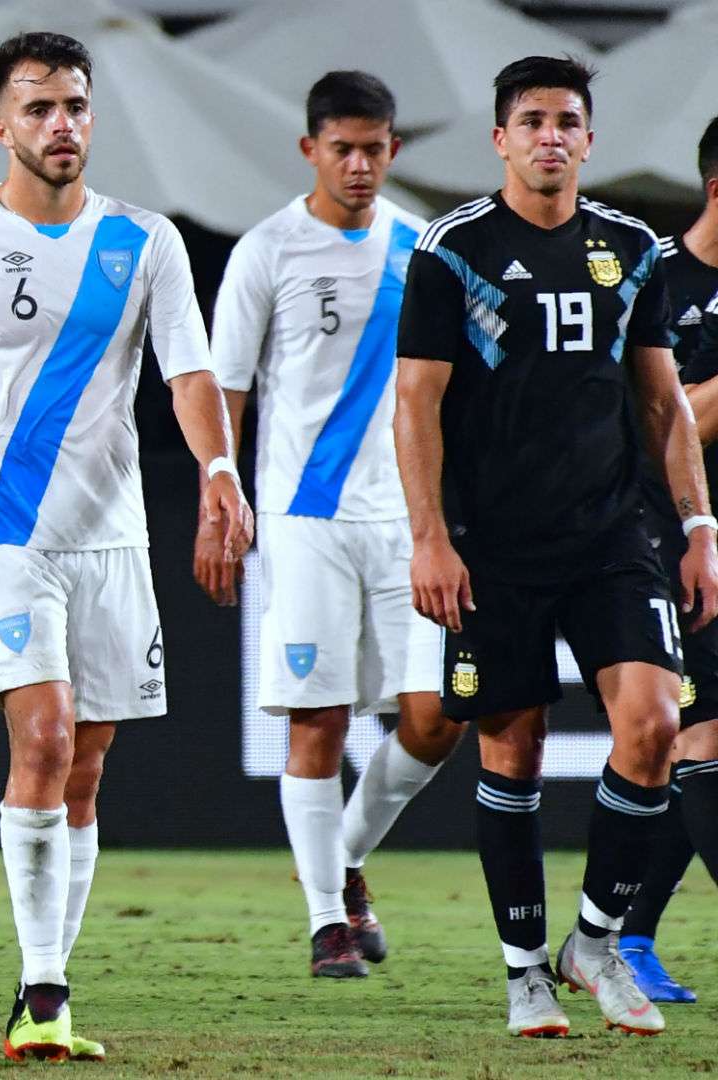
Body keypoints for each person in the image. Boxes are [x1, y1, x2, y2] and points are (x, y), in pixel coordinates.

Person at [0, 31, 249, 1063]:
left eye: (77, 106)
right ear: (2, 126)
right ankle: (43, 994)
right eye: (39, 109)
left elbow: (188, 376)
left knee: (85, 769)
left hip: (111, 538)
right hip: (0, 537)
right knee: (42, 740)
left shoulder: (146, 242)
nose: (62, 125)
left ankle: (49, 985)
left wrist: (220, 474)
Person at [394, 55, 718, 1039]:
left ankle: (596, 939)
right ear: (500, 139)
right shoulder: (453, 250)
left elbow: (662, 403)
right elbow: (415, 402)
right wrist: (429, 539)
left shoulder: (630, 248)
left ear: (589, 138)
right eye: (530, 119)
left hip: (613, 532)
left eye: (567, 120)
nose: (549, 135)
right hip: (494, 543)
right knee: (515, 750)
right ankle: (524, 968)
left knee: (656, 726)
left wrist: (698, 525)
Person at [210, 71, 461, 980]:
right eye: (341, 148)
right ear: (310, 150)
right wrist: (221, 492)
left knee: (436, 720)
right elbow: (223, 385)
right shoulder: (267, 251)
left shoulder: (424, 248)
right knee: (315, 721)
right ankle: (327, 922)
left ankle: (346, 859)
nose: (358, 165)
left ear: (394, 151)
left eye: (374, 148)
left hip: (406, 520)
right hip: (305, 518)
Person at [620, 115, 718, 1003]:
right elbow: (671, 426)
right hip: (679, 547)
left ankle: (630, 935)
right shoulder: (660, 280)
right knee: (700, 737)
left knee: (700, 755)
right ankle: (622, 938)